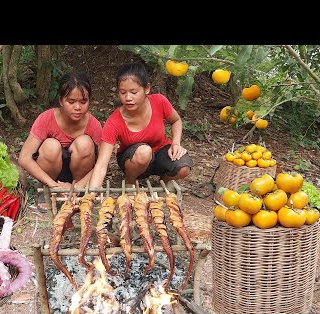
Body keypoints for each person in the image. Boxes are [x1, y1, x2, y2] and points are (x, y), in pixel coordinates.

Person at [89, 62, 193, 190]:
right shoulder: (114, 121)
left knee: (183, 168)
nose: (128, 98)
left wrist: (176, 143)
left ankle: (164, 183)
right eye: (123, 92)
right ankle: (130, 182)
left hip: (160, 151)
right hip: (133, 159)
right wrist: (91, 194)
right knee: (144, 152)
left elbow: (176, 121)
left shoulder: (159, 101)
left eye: (134, 92)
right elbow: (101, 165)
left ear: (146, 89)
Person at [18, 71, 102, 212]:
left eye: (83, 101)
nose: (77, 107)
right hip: (50, 173)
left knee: (85, 144)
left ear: (89, 100)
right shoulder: (46, 119)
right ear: (61, 101)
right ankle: (46, 190)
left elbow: (101, 164)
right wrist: (53, 185)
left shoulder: (93, 124)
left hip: (78, 175)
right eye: (71, 101)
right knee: (51, 145)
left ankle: (79, 192)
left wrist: (77, 186)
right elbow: (24, 158)